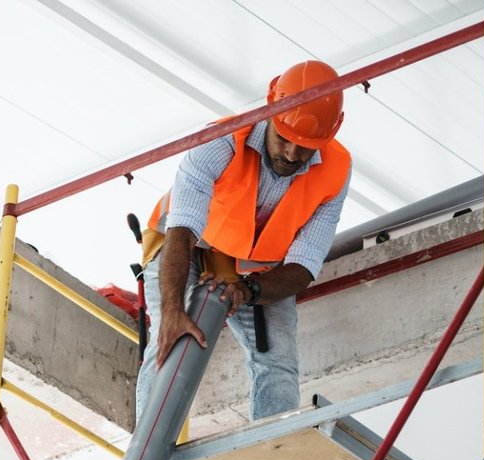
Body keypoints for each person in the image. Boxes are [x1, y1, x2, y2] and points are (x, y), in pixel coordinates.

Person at [136, 59, 353, 422]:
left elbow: (303, 265)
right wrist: (173, 311)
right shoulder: (219, 141)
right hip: (190, 246)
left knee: (279, 358)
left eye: (307, 146)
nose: (292, 154)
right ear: (270, 109)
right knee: (170, 336)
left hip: (258, 273)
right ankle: (145, 456)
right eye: (285, 138)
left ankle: (272, 452)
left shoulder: (337, 170)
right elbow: (182, 230)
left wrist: (249, 291)